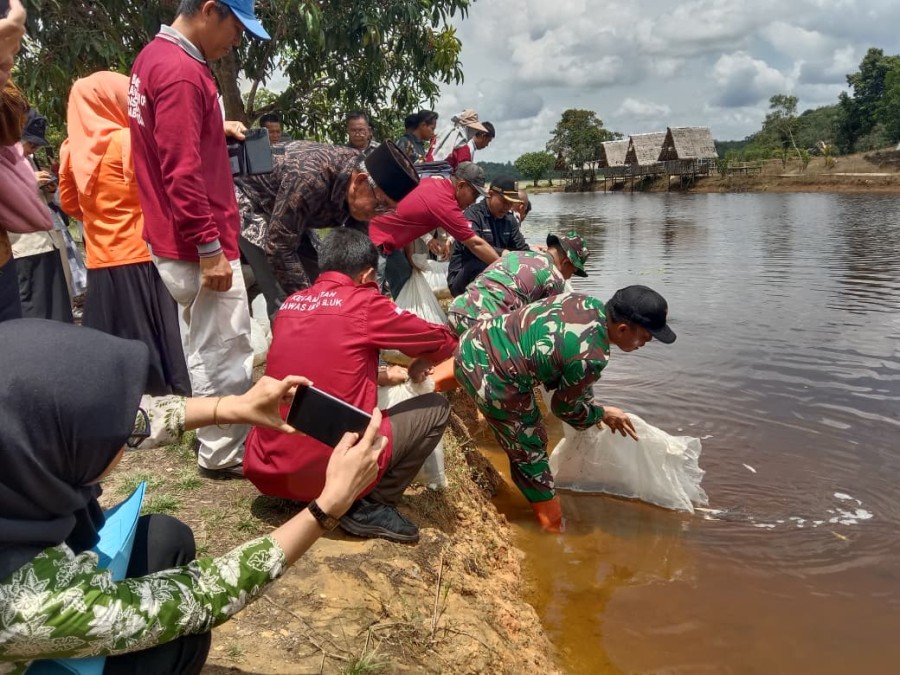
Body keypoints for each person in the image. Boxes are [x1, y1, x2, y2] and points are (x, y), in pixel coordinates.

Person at [0, 318, 385, 674]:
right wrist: (326, 507)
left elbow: (128, 420)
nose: (128, 432)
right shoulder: (25, 599)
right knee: (179, 645)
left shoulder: (16, 459)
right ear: (52, 447)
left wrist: (232, 407)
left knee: (164, 540)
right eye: (114, 433)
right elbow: (200, 597)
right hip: (38, 628)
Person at [128, 0, 270, 478]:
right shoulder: (183, 73)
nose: (236, 42)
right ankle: (224, 451)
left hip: (173, 236)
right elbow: (182, 172)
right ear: (211, 10)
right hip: (195, 244)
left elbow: (170, 141)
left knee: (204, 341)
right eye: (236, 29)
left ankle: (218, 436)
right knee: (225, 348)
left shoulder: (155, 57)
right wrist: (210, 249)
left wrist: (215, 127)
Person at [244, 229, 458, 544]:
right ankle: (368, 504)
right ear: (368, 273)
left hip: (267, 470)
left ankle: (312, 490)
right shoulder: (364, 302)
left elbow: (326, 362)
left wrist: (380, 373)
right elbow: (443, 342)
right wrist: (421, 358)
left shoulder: (290, 305)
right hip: (326, 477)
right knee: (436, 409)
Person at [454, 286, 677, 532]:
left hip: (472, 342)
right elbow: (565, 410)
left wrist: (590, 404)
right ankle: (552, 528)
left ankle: (426, 386)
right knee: (531, 450)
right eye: (646, 337)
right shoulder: (592, 357)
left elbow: (564, 371)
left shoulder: (583, 302)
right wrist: (601, 414)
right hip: (493, 377)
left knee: (521, 407)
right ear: (623, 329)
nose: (646, 344)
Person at [58, 71, 191, 396]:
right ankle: (169, 399)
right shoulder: (128, 140)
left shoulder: (70, 150)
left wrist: (100, 215)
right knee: (161, 337)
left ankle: (119, 400)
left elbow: (69, 203)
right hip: (142, 253)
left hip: (102, 259)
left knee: (112, 340)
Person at [236, 140, 419, 317]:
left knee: (323, 284)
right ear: (360, 181)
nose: (378, 215)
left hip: (292, 211)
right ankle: (292, 342)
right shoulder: (311, 178)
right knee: (289, 302)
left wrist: (364, 297)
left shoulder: (360, 182)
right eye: (380, 206)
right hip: (254, 201)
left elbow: (358, 251)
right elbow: (279, 247)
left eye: (388, 211)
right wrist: (314, 306)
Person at [368, 161, 500, 298]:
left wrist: (410, 256)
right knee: (368, 294)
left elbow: (406, 219)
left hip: (387, 241)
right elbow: (475, 243)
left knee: (405, 278)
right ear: (461, 186)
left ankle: (405, 313)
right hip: (375, 241)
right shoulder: (444, 202)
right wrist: (503, 268)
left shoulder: (431, 183)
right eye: (474, 195)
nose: (474, 201)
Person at [447, 231, 589, 336]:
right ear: (565, 262)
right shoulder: (555, 278)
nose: (570, 276)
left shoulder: (515, 255)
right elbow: (549, 328)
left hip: (457, 311)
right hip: (482, 324)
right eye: (573, 271)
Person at [10, 109, 74, 323]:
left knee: (57, 308)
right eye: (30, 143)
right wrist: (28, 182)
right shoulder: (6, 161)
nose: (33, 149)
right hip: (25, 248)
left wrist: (47, 190)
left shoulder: (30, 159)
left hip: (48, 241)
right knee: (34, 311)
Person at [447, 175, 530, 296]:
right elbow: (471, 248)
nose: (507, 207)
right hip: (463, 278)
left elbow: (521, 248)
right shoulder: (472, 215)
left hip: (496, 271)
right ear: (490, 194)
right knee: (479, 263)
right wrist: (503, 254)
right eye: (504, 202)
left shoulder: (510, 220)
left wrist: (535, 256)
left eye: (511, 203)